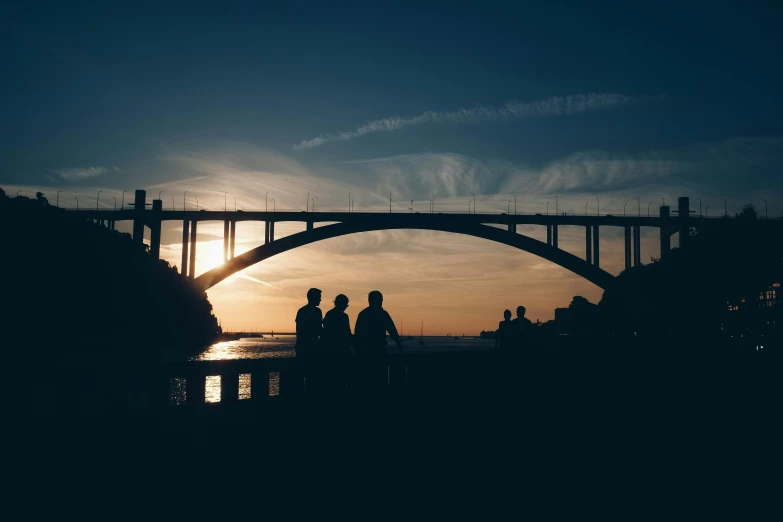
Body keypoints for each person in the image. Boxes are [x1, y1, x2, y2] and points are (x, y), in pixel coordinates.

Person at [354, 290, 402, 396]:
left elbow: (357, 334)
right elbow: (392, 330)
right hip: (377, 350)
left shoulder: (363, 314)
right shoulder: (382, 314)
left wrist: (357, 348)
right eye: (380, 300)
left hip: (367, 350)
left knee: (368, 379)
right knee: (379, 377)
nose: (381, 302)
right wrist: (398, 343)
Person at [322, 294, 353, 394]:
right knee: (342, 380)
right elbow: (347, 334)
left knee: (331, 381)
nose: (346, 307)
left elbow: (325, 332)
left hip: (329, 352)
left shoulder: (329, 314)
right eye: (346, 305)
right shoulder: (344, 317)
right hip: (342, 352)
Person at [295, 288, 323, 395]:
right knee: (312, 377)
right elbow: (319, 330)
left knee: (302, 377)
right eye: (319, 297)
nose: (320, 300)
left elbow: (299, 330)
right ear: (313, 298)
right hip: (312, 348)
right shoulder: (317, 312)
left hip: (302, 347)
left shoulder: (301, 311)